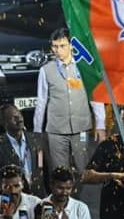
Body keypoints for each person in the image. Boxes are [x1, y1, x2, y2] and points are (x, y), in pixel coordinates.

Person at [33, 28, 107, 176]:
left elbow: (95, 97)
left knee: (83, 169)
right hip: (56, 130)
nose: (58, 50)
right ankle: (63, 198)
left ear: (71, 45)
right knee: (60, 172)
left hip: (81, 128)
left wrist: (100, 125)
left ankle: (77, 197)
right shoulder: (46, 70)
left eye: (62, 46)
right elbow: (41, 102)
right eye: (55, 46)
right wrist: (37, 131)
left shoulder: (84, 67)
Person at [0, 103, 47, 198]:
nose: (19, 119)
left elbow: (43, 168)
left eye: (20, 115)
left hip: (39, 198)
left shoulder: (38, 140)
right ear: (3, 122)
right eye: (14, 117)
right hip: (11, 202)